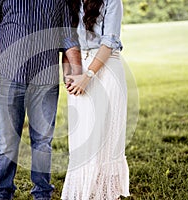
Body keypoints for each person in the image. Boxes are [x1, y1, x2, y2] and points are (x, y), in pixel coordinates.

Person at [0, 0, 81, 199]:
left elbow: (68, 37)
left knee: (43, 142)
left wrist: (77, 71)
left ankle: (42, 193)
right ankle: (2, 192)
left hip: (45, 80)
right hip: (8, 76)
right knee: (7, 141)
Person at [61, 0, 130, 199]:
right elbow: (66, 39)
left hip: (105, 70)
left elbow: (109, 41)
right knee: (82, 137)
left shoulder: (112, 1)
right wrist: (69, 75)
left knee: (104, 135)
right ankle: (84, 193)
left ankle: (105, 193)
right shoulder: (70, 2)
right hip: (78, 69)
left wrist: (87, 76)